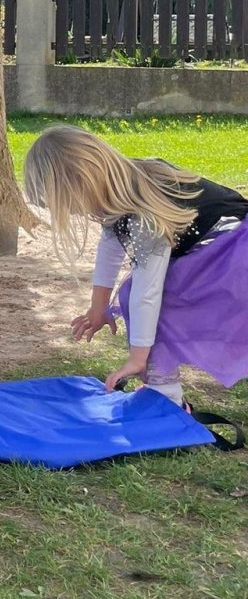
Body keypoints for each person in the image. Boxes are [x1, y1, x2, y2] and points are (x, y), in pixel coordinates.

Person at [23, 125, 248, 404]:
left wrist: (137, 359)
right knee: (147, 300)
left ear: (81, 182)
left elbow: (147, 291)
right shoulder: (122, 187)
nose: (71, 212)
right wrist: (98, 308)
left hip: (236, 253)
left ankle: (164, 395)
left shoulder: (143, 214)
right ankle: (163, 392)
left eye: (67, 203)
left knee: (154, 301)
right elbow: (109, 249)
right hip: (219, 249)